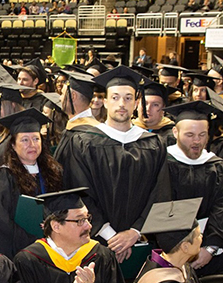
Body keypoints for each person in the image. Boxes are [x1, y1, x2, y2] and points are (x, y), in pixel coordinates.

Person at [54, 67, 167, 262]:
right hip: (94, 241)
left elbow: (160, 193)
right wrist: (110, 235)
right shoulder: (84, 141)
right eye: (115, 98)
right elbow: (79, 192)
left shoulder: (153, 144)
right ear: (105, 102)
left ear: (137, 102)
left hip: (140, 242)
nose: (121, 104)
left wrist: (135, 232)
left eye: (128, 98)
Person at [159, 102, 223, 275]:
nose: (197, 141)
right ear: (175, 132)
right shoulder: (163, 163)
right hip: (170, 251)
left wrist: (209, 248)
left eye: (202, 135)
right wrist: (181, 250)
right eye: (190, 135)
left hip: (208, 250)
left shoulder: (218, 166)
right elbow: (162, 205)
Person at [0, 109, 63, 258]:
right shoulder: (4, 176)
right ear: (13, 145)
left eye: (36, 138)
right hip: (18, 251)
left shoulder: (53, 172)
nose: (32, 145)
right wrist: (33, 240)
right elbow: (0, 221)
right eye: (25, 140)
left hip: (53, 246)